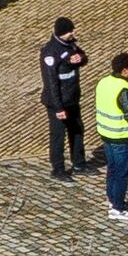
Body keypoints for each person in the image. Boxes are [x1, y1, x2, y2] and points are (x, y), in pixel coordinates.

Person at [89, 50, 128, 221]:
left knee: (112, 169)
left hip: (106, 134)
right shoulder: (124, 89)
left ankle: (112, 198)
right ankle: (118, 208)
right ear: (125, 70)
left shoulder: (104, 82)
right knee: (122, 173)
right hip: (122, 137)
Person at [39, 15, 90, 179]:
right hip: (58, 102)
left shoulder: (71, 44)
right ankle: (58, 168)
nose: (72, 33)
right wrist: (58, 107)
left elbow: (83, 57)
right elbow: (51, 82)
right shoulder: (50, 52)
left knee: (77, 130)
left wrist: (79, 59)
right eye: (69, 31)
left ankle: (79, 163)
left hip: (72, 99)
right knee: (58, 135)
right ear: (61, 33)